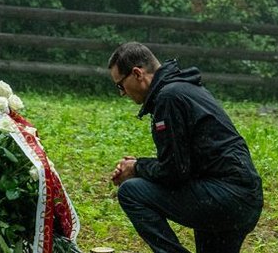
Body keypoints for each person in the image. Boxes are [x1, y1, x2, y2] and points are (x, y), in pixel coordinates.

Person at [108, 41, 263, 253]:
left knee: (131, 192)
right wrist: (140, 167)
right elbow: (182, 164)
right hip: (242, 197)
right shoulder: (184, 89)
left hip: (224, 197)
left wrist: (136, 169)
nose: (122, 93)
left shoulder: (169, 97)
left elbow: (174, 171)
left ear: (137, 74)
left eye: (120, 85)